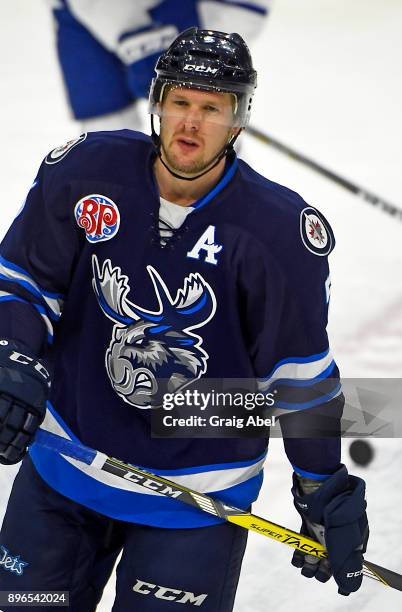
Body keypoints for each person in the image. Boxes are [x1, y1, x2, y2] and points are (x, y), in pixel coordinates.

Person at [0, 28, 368, 611]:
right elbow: (22, 283)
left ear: (238, 120)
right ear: (158, 104)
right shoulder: (86, 172)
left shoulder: (277, 235)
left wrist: (321, 486)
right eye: (180, 102)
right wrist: (13, 355)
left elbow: (299, 381)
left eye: (210, 108)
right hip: (64, 470)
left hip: (197, 502)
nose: (190, 124)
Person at [49, 0, 272, 132]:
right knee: (105, 134)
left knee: (207, 130)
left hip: (177, 10)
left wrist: (212, 48)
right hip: (77, 16)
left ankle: (225, 202)